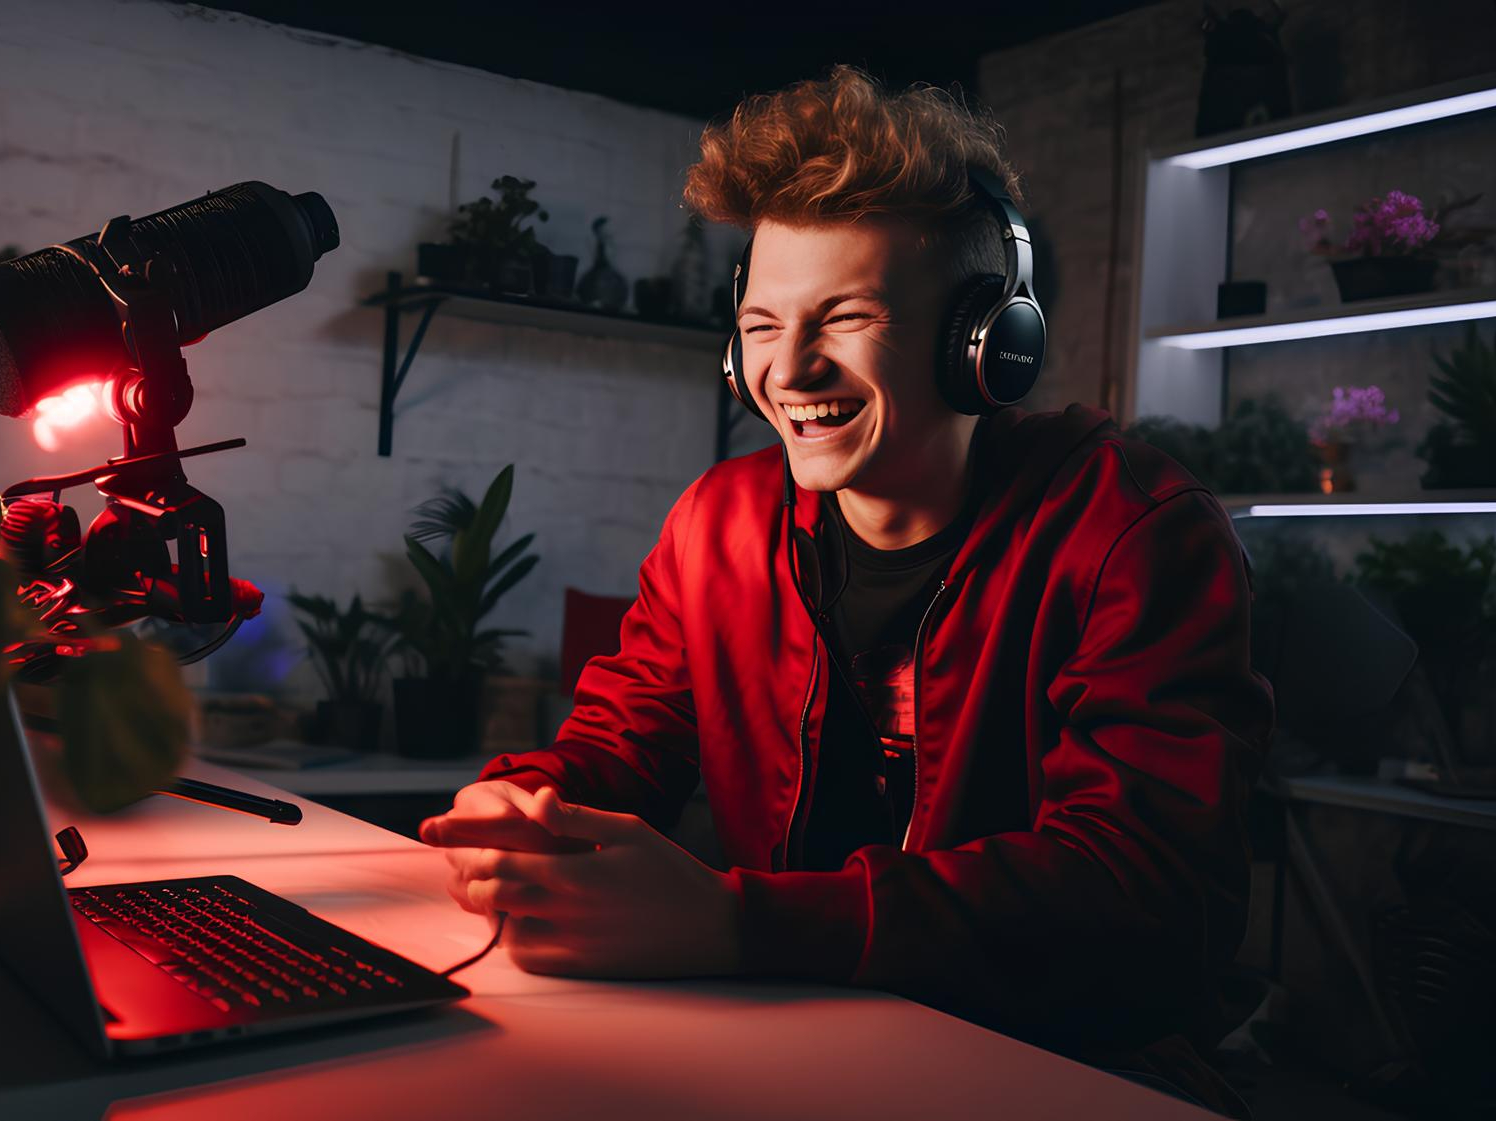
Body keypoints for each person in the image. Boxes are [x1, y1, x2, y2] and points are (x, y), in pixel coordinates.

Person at [417, 65, 1273, 1117]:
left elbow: (1141, 901)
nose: (790, 369)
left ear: (987, 347)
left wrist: (736, 926)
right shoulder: (715, 523)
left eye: (846, 317)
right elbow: (619, 743)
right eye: (765, 326)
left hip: (1066, 1056)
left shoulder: (1132, 530)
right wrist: (523, 800)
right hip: (790, 1022)